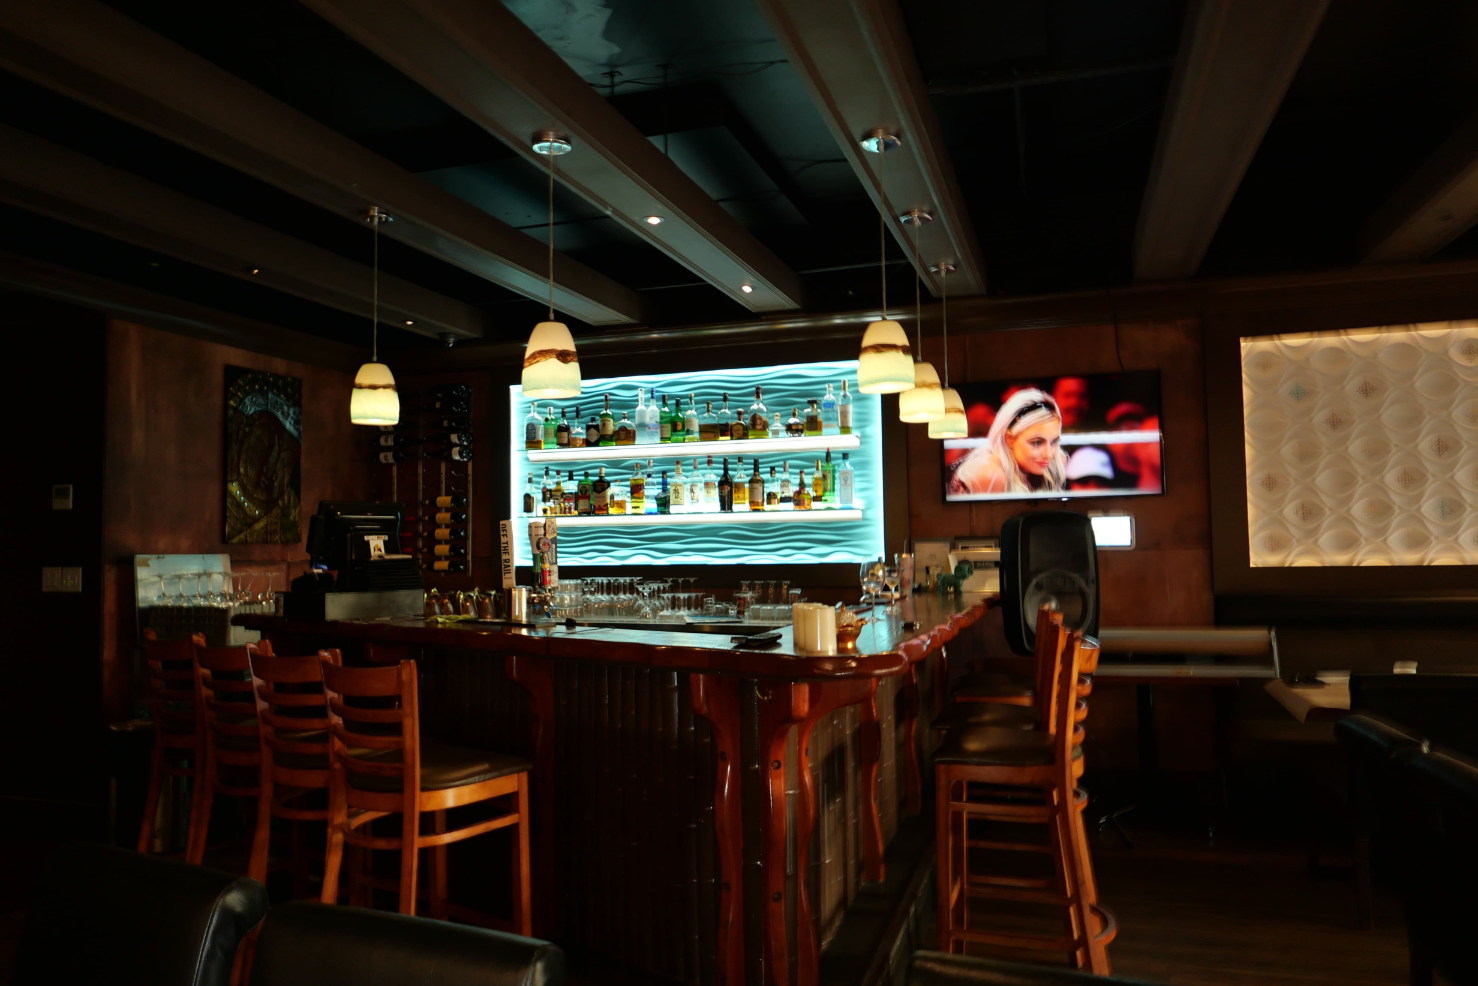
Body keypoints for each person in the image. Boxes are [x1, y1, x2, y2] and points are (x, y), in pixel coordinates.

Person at [947, 388, 1067, 495]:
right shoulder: (991, 474)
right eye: (1036, 443)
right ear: (1009, 439)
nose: (1048, 454)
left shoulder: (1056, 462)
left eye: (1054, 442)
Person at [1104, 401, 1147, 490]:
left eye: (1135, 426)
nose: (1130, 433)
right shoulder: (1102, 478)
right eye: (1122, 428)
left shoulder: (1156, 473)